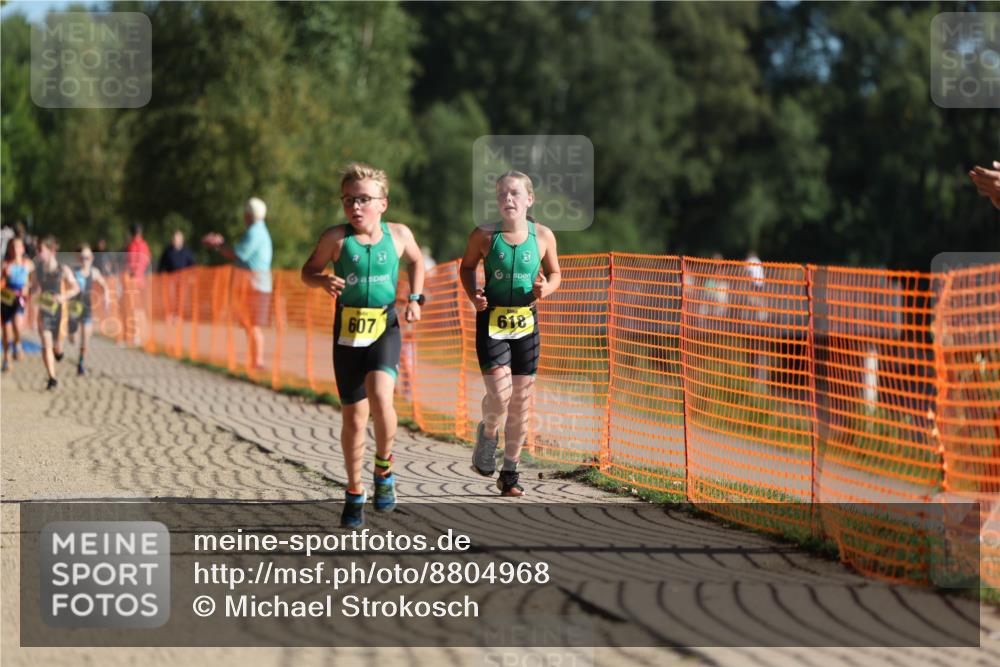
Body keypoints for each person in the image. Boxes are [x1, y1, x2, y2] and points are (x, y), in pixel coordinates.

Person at [300, 163, 424, 528]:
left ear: (382, 203)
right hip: (348, 332)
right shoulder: (336, 239)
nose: (355, 207)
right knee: (354, 419)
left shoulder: (398, 235)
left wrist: (416, 298)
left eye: (364, 199)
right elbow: (307, 271)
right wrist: (322, 281)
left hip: (384, 325)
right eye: (349, 200)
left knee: (382, 397)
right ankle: (355, 491)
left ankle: (383, 468)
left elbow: (416, 260)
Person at [459, 171, 561, 497]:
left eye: (515, 194)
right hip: (492, 321)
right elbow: (466, 267)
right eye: (502, 194)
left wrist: (547, 288)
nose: (508, 199)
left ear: (529, 200)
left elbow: (555, 273)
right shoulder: (484, 236)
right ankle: (488, 432)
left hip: (526, 322)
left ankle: (511, 473)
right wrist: (474, 293)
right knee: (500, 396)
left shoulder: (543, 236)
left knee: (521, 401)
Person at [203, 198, 273, 369]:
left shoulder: (255, 232)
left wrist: (218, 246)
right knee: (248, 324)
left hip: (256, 286)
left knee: (252, 325)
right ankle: (254, 360)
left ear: (249, 215)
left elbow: (238, 255)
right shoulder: (259, 231)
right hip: (255, 285)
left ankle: (258, 362)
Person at [32, 237, 79, 390]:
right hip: (44, 310)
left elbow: (76, 288)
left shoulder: (63, 269)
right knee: (46, 344)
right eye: (37, 250)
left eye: (41, 250)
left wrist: (62, 297)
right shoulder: (38, 270)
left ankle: (58, 351)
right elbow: (33, 289)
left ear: (52, 250)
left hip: (60, 312)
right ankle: (52, 378)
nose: (38, 253)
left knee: (57, 346)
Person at [67, 245, 110, 376]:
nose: (85, 260)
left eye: (88, 257)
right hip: (74, 306)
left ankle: (80, 364)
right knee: (73, 338)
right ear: (79, 258)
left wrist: (106, 297)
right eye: (82, 257)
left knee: (85, 339)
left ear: (92, 258)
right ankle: (71, 333)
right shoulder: (73, 272)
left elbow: (104, 284)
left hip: (87, 307)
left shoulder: (94, 272)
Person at [1, 237, 35, 372]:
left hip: (20, 298)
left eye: (18, 247)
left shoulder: (28, 264)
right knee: (6, 332)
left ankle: (18, 343)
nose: (15, 250)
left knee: (17, 324)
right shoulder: (5, 264)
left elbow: (35, 281)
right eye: (13, 247)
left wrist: (28, 286)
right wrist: (4, 275)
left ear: (23, 249)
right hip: (6, 298)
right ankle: (6, 358)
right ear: (9, 249)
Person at [157, 229, 196, 323]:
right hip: (170, 278)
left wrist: (192, 276)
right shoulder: (168, 251)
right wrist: (160, 274)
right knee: (170, 297)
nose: (175, 240)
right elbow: (162, 264)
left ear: (182, 240)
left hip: (183, 278)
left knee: (180, 297)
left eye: (178, 238)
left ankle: (178, 315)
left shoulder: (187, 251)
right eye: (174, 238)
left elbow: (192, 265)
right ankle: (169, 314)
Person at [124, 224, 151, 346]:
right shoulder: (145, 245)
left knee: (134, 309)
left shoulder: (132, 246)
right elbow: (147, 261)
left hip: (133, 281)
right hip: (142, 281)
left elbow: (130, 263)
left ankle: (136, 335)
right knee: (140, 309)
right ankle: (142, 334)